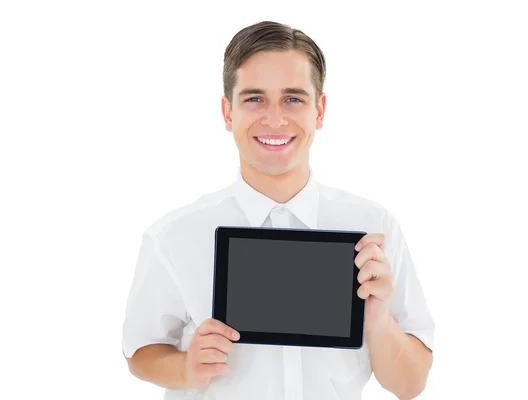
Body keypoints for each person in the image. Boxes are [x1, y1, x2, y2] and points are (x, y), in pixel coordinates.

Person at [121, 20, 435, 400]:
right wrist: (186, 368)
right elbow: (140, 352)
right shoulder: (174, 235)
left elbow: (410, 385)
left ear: (319, 111)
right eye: (254, 98)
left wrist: (380, 321)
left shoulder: (374, 229)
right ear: (227, 112)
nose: (274, 119)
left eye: (293, 98)